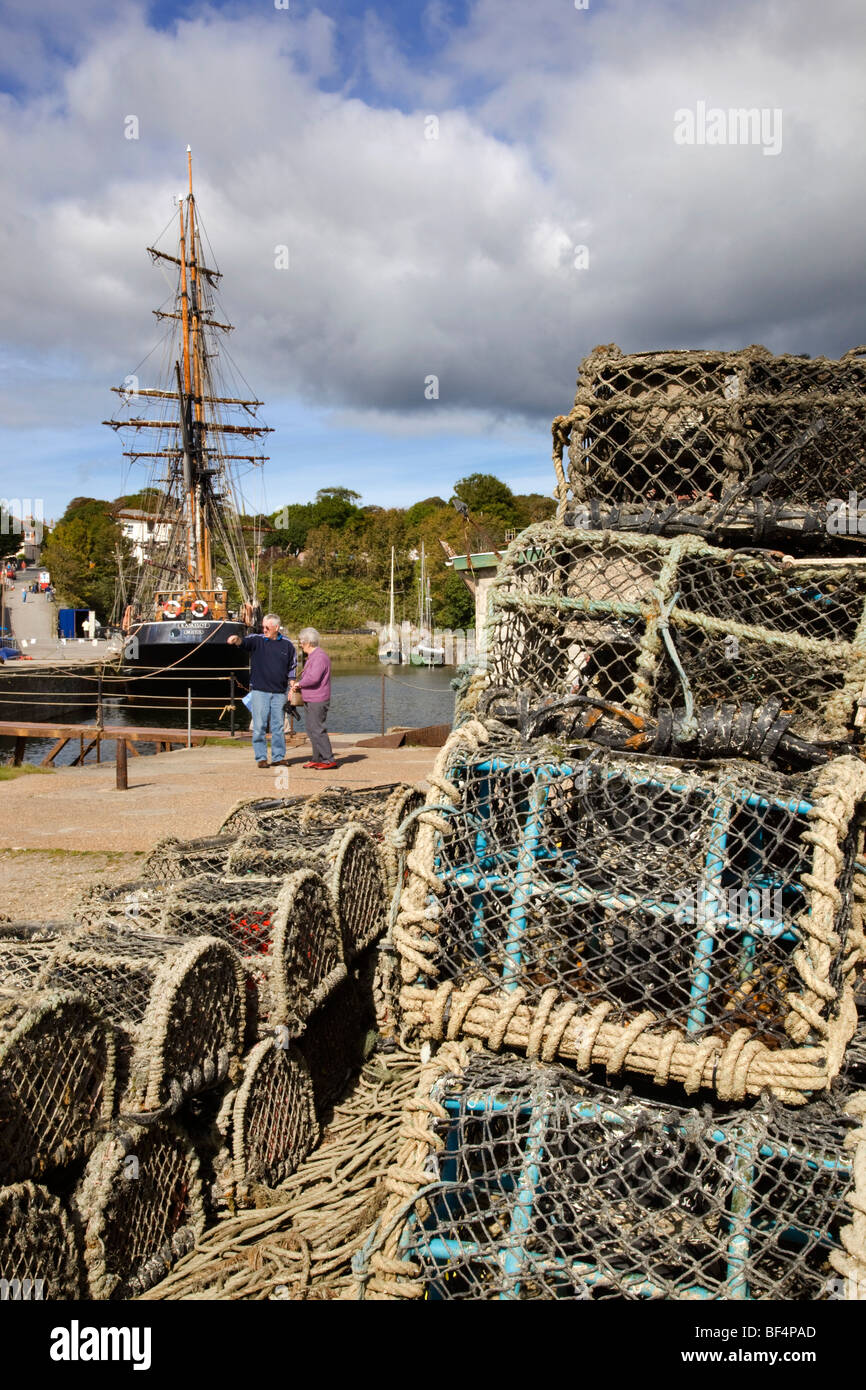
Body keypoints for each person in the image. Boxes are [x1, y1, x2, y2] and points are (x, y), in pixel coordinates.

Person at [227, 613, 296, 768]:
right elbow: (243, 643)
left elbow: (292, 667)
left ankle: (278, 757)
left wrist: (292, 687)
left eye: (267, 627)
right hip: (260, 691)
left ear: (276, 628)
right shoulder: (256, 640)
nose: (264, 629)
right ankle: (261, 758)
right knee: (259, 726)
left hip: (279, 692)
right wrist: (236, 640)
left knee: (278, 727)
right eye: (263, 627)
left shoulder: (287, 645)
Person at [290, 628, 337, 769]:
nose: (300, 644)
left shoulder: (320, 656)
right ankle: (317, 758)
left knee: (317, 729)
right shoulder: (313, 656)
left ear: (308, 642)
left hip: (318, 698)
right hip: (310, 697)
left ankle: (328, 759)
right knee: (311, 729)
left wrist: (299, 683)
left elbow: (314, 678)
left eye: (301, 642)